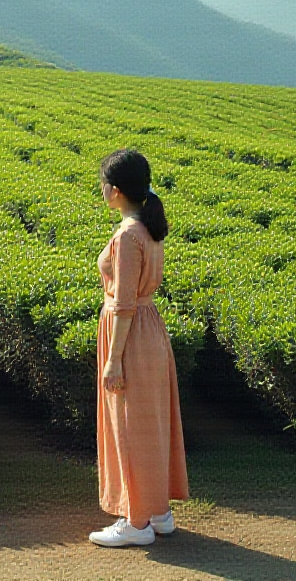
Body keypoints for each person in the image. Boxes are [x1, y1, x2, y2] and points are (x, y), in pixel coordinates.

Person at [89, 147, 189, 550]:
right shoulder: (148, 228)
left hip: (129, 334)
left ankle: (135, 520)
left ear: (113, 191)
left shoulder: (128, 235)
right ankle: (157, 512)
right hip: (150, 332)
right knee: (151, 423)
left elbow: (124, 302)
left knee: (128, 425)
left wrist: (113, 360)